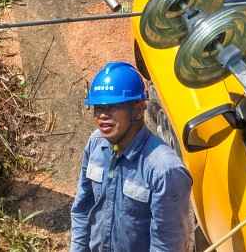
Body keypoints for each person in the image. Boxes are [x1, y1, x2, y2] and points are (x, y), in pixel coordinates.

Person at [70, 62, 193, 252]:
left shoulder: (164, 170)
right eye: (98, 107)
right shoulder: (96, 144)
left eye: (112, 107)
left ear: (137, 109)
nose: (102, 115)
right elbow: (82, 209)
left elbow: (167, 245)